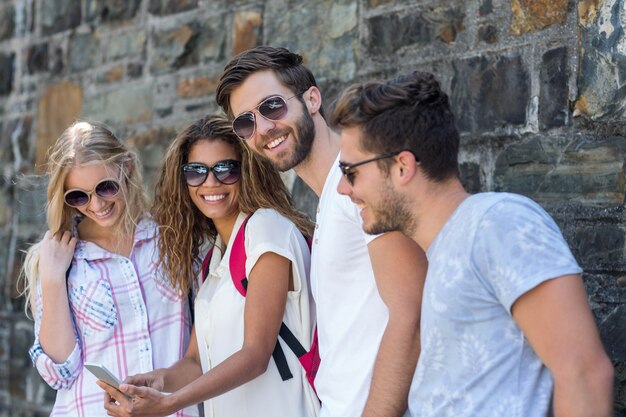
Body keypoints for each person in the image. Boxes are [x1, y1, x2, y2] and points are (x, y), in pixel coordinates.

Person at [330, 70, 615, 417]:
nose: (343, 189)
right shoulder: (447, 248)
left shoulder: (497, 223)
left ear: (402, 167)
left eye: (350, 171)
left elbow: (584, 374)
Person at [215, 46, 427, 417]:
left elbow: (412, 313)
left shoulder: (359, 186)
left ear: (312, 98)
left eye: (272, 106)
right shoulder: (330, 200)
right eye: (246, 123)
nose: (263, 129)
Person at [99, 115, 320, 417]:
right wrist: (158, 381)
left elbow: (255, 354)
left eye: (225, 169)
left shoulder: (267, 231)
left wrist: (169, 404)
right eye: (196, 172)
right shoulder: (213, 260)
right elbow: (196, 362)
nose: (211, 182)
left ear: (248, 171)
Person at [20, 121, 198, 417]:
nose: (97, 204)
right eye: (78, 196)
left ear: (126, 167)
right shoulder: (59, 259)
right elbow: (59, 374)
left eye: (105, 187)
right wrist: (52, 279)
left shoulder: (171, 238)